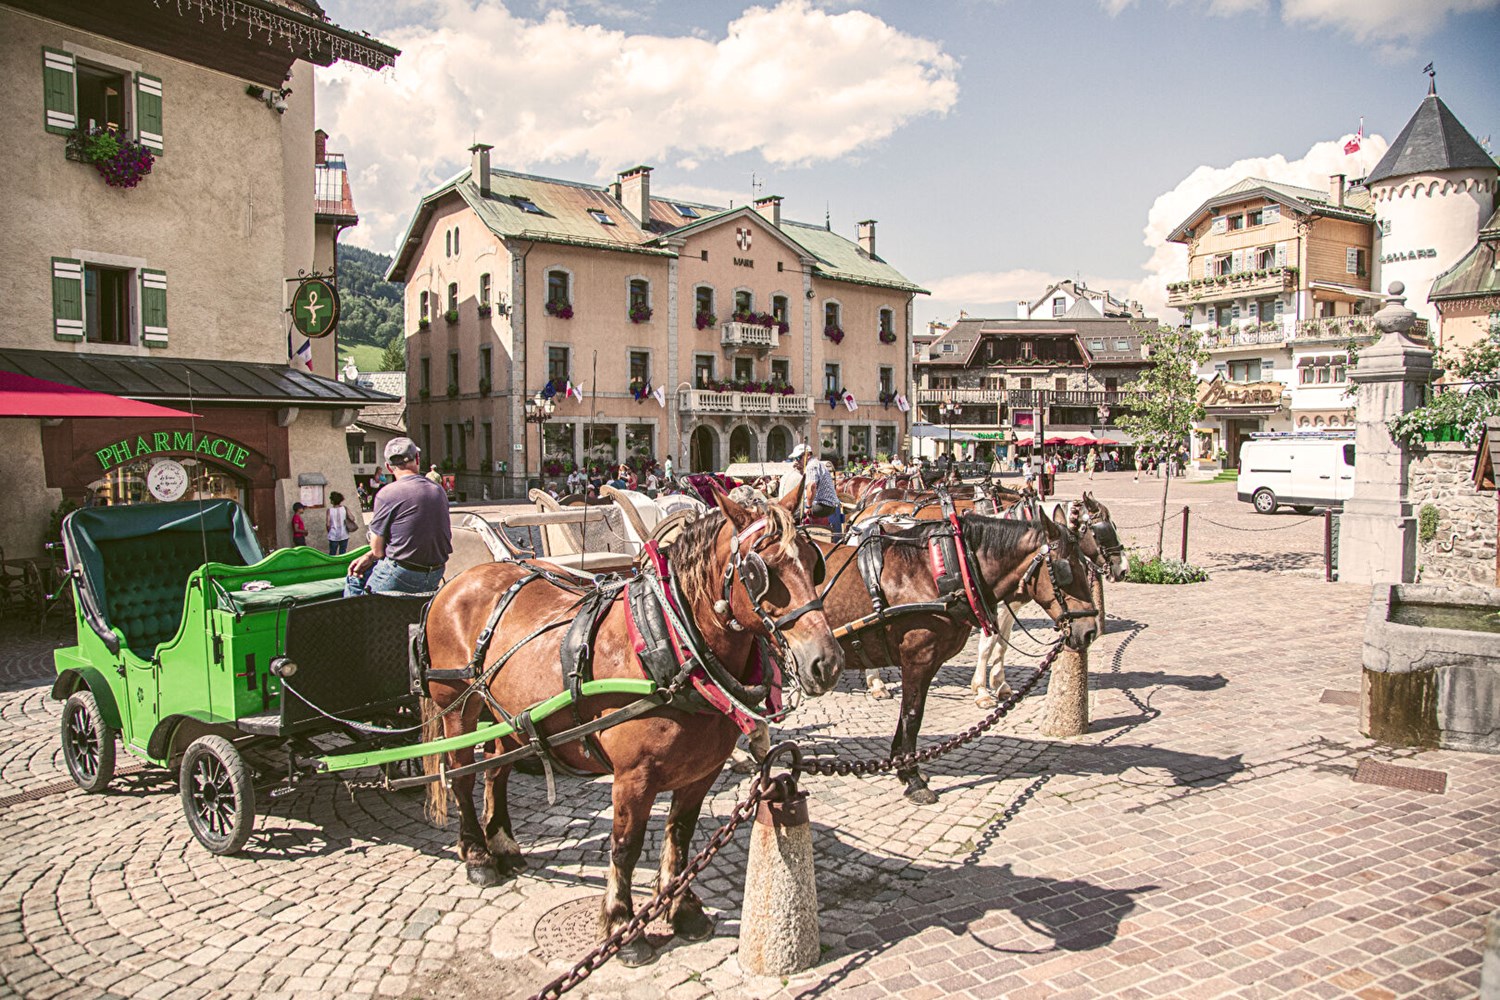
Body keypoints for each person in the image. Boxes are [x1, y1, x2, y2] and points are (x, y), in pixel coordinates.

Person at [346, 437, 452, 597]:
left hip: (402, 572)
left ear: (389, 467)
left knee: (354, 578)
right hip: (436, 571)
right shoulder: (438, 490)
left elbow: (377, 550)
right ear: (417, 459)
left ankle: (353, 620)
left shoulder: (387, 493)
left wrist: (368, 556)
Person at [790, 443, 840, 530]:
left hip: (823, 505)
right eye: (795, 459)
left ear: (808, 455)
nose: (796, 461)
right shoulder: (816, 464)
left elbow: (812, 486)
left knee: (792, 518)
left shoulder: (811, 466)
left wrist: (808, 507)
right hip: (830, 505)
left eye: (798, 458)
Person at [326, 491, 352, 555]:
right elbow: (352, 518)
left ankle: (332, 565)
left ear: (332, 501)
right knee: (343, 553)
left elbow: (328, 524)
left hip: (333, 535)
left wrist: (329, 531)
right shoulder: (345, 508)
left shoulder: (329, 510)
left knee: (332, 553)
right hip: (344, 534)